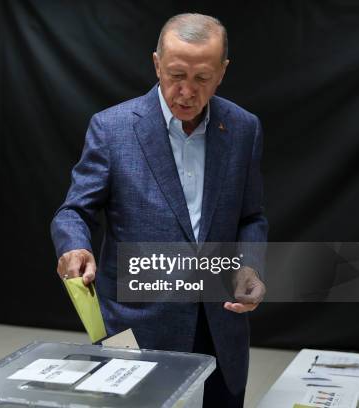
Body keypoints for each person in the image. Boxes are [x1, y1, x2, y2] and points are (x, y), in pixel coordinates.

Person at [51, 13, 267, 407]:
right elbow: (73, 212)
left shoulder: (243, 128)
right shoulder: (112, 128)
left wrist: (250, 267)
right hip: (137, 326)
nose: (186, 91)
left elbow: (251, 217)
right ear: (156, 64)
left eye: (202, 78)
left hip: (221, 322)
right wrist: (74, 247)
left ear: (222, 72)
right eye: (175, 75)